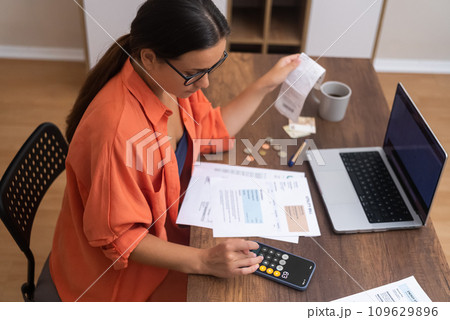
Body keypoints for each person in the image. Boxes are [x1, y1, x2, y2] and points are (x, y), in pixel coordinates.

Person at [45, 0, 301, 301]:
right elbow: (121, 240)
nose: (205, 83)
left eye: (213, 67)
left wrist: (267, 84)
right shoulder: (117, 131)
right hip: (124, 280)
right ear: (149, 57)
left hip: (176, 228)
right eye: (195, 72)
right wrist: (204, 260)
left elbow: (210, 133)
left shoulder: (170, 83)